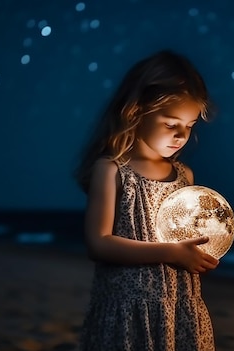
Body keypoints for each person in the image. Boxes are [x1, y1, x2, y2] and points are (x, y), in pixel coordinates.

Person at [74, 50, 219, 351]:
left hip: (180, 308)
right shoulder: (112, 170)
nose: (181, 135)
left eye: (190, 125)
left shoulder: (184, 175)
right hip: (130, 309)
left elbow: (186, 237)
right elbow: (98, 243)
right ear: (136, 111)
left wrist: (202, 248)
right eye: (170, 123)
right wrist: (172, 253)